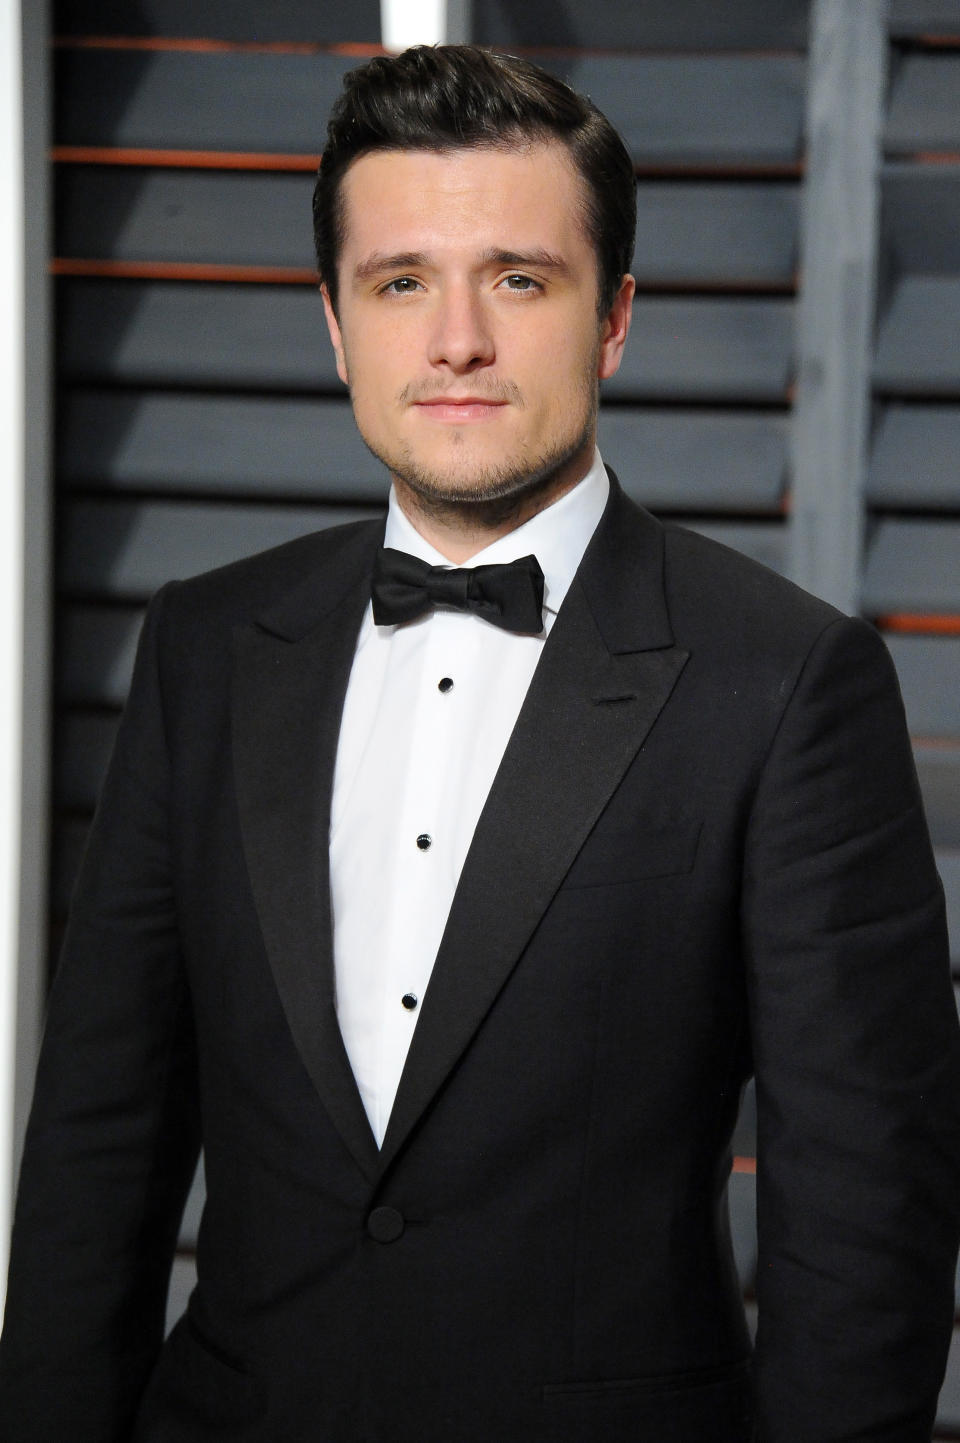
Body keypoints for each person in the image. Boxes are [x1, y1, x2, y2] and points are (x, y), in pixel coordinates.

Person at [1, 43, 958, 1443]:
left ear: (614, 316)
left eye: (518, 277)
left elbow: (866, 1223)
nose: (456, 339)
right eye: (400, 283)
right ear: (335, 324)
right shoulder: (205, 645)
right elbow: (100, 1142)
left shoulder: (792, 680)